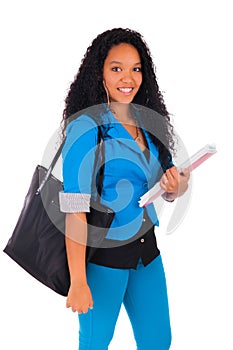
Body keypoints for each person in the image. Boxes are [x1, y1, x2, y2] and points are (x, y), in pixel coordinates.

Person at [59, 28, 190, 350]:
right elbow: (75, 208)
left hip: (147, 252)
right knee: (95, 342)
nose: (127, 77)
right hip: (103, 257)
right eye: (116, 68)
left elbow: (167, 182)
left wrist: (177, 186)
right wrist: (78, 280)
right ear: (99, 73)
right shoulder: (86, 127)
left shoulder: (148, 122)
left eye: (135, 68)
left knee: (158, 341)